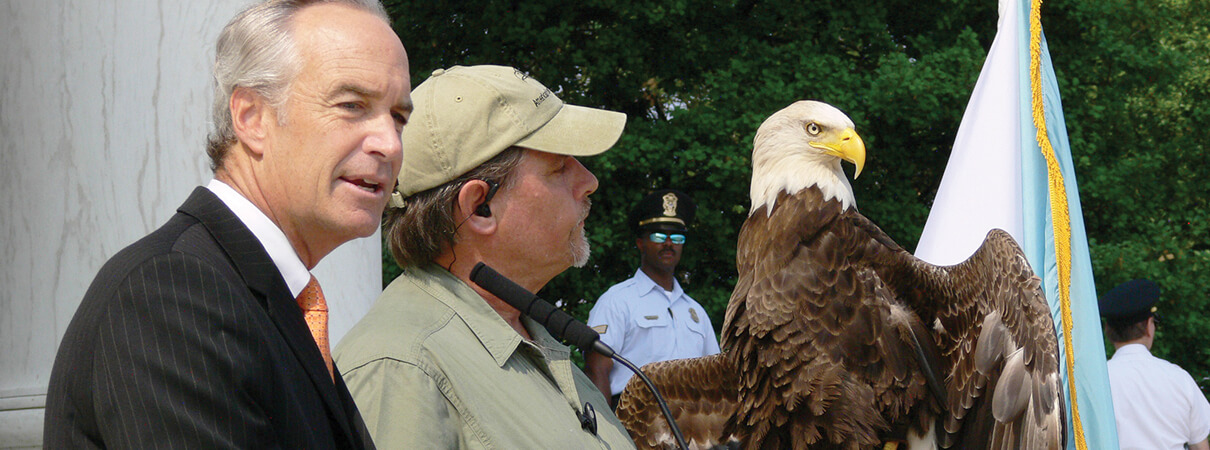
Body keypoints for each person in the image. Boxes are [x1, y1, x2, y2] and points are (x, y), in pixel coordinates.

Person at [43, 1, 410, 447]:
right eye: (353, 105)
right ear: (251, 117)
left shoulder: (256, 292)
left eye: (398, 117)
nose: (390, 144)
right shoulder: (171, 293)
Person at [332, 64, 635, 448]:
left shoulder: (524, 333)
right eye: (559, 167)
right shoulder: (401, 369)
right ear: (480, 207)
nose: (588, 181)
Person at [585, 189, 721, 407]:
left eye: (677, 237)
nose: (669, 243)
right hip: (637, 420)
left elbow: (716, 378)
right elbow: (596, 369)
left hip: (695, 427)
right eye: (659, 236)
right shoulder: (617, 301)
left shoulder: (696, 312)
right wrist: (605, 433)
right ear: (640, 242)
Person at [1100, 279, 1210, 450]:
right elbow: (1200, 446)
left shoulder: (1096, 382)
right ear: (1148, 326)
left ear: (1108, 330)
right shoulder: (1180, 379)